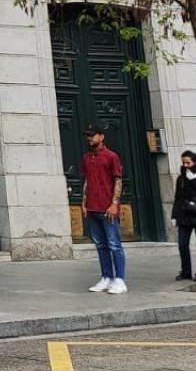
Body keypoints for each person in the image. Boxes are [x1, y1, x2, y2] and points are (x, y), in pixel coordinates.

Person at [81, 125, 128, 294]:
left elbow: (118, 180)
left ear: (102, 136)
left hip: (107, 207)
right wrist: (84, 202)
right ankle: (106, 277)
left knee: (114, 244)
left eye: (92, 135)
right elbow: (86, 181)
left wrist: (114, 203)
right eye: (87, 135)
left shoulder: (111, 156)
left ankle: (120, 279)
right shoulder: (86, 158)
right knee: (100, 245)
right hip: (93, 207)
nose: (89, 138)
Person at [172, 150, 196, 282]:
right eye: (183, 163)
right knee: (182, 244)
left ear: (195, 162)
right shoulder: (181, 178)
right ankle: (186, 271)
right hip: (184, 215)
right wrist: (174, 216)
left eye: (188, 162)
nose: (186, 165)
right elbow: (177, 197)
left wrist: (194, 181)